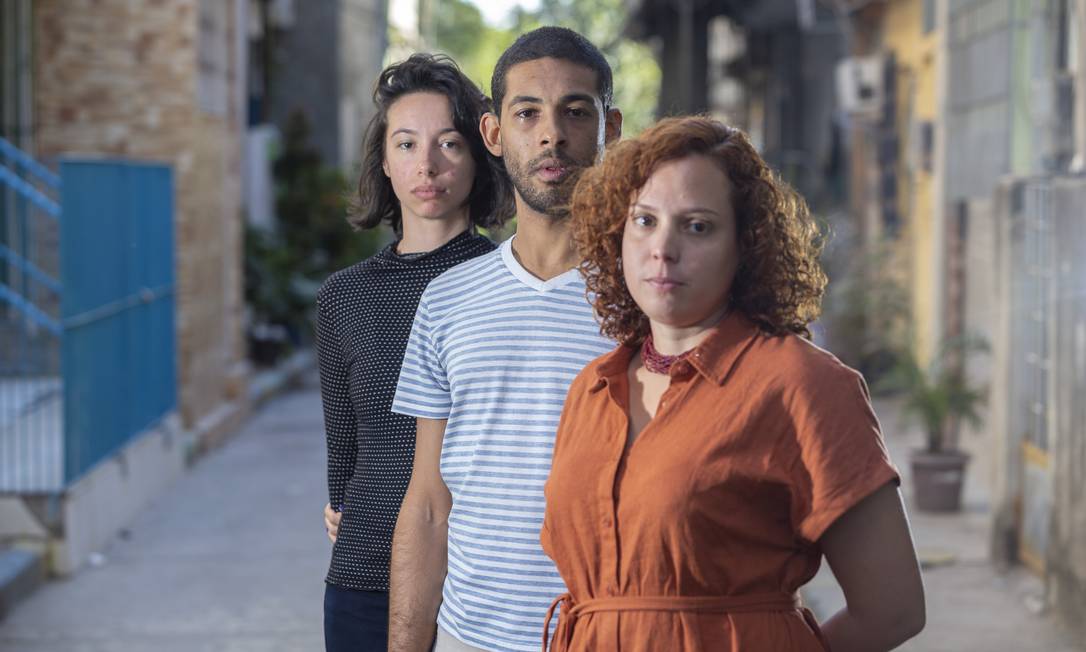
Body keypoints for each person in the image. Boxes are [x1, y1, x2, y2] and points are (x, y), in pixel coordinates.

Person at [540, 116, 926, 651]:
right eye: (645, 221)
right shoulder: (593, 388)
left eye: (697, 226)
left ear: (746, 246)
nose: (663, 248)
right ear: (616, 233)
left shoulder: (802, 383)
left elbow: (893, 609)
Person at [388, 27, 623, 652]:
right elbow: (429, 501)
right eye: (528, 113)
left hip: (615, 634)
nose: (552, 134)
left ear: (611, 129)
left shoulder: (651, 298)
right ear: (494, 134)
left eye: (577, 111)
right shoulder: (446, 299)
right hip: (471, 637)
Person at [316, 53, 512, 652]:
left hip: (478, 584)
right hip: (364, 581)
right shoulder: (345, 296)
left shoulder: (506, 282)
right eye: (406, 145)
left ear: (480, 158)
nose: (426, 165)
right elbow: (343, 457)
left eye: (449, 144)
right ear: (384, 161)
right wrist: (344, 507)